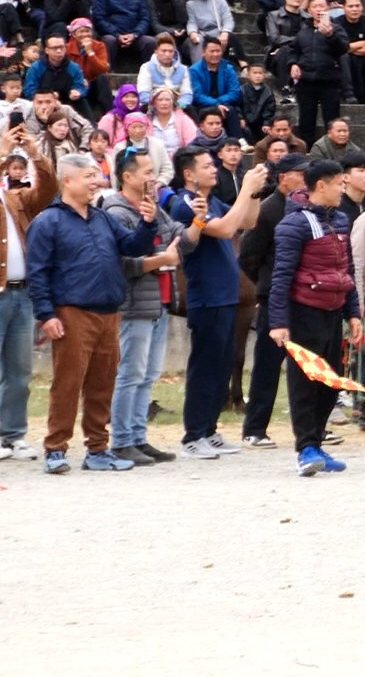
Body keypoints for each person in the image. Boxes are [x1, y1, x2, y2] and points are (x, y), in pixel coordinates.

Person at [27, 152, 160, 473]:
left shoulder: (102, 218)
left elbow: (133, 246)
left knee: (103, 384)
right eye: (88, 177)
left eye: (96, 177)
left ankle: (98, 449)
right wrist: (47, 315)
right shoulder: (48, 221)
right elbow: (38, 272)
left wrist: (148, 222)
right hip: (71, 313)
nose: (96, 182)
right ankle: (55, 449)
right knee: (68, 383)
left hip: (109, 313)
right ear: (67, 180)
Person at [171, 148, 271, 458]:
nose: (214, 170)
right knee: (204, 366)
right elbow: (226, 228)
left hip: (226, 295)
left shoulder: (213, 201)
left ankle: (210, 430)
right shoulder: (185, 202)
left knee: (221, 365)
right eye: (206, 166)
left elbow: (250, 221)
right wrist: (245, 190)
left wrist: (254, 193)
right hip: (206, 295)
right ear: (189, 174)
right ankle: (193, 434)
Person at [265, 159, 360, 476]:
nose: (343, 190)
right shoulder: (294, 225)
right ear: (322, 185)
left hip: (334, 313)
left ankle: (317, 443)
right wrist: (278, 323)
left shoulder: (343, 220)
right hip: (304, 313)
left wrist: (354, 313)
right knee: (305, 382)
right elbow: (281, 277)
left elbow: (347, 270)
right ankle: (305, 448)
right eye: (340, 184)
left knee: (332, 383)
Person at [103, 147, 191, 466]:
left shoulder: (151, 206)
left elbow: (177, 235)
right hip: (133, 303)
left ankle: (138, 437)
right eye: (147, 172)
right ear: (127, 177)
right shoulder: (116, 211)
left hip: (157, 300)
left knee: (148, 373)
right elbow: (123, 262)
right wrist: (161, 259)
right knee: (130, 373)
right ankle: (122, 440)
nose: (153, 177)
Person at [235, 154, 311, 448]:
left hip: (303, 295)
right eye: (301, 175)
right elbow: (248, 257)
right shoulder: (267, 210)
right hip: (274, 297)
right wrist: (266, 286)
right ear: (284, 178)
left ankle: (309, 427)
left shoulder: (307, 206)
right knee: (267, 366)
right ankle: (254, 428)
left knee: (307, 365)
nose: (306, 180)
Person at [0, 132, 55, 460]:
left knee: (20, 371)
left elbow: (48, 192)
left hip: (22, 296)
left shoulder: (14, 199)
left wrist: (35, 155)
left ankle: (13, 434)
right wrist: (4, 150)